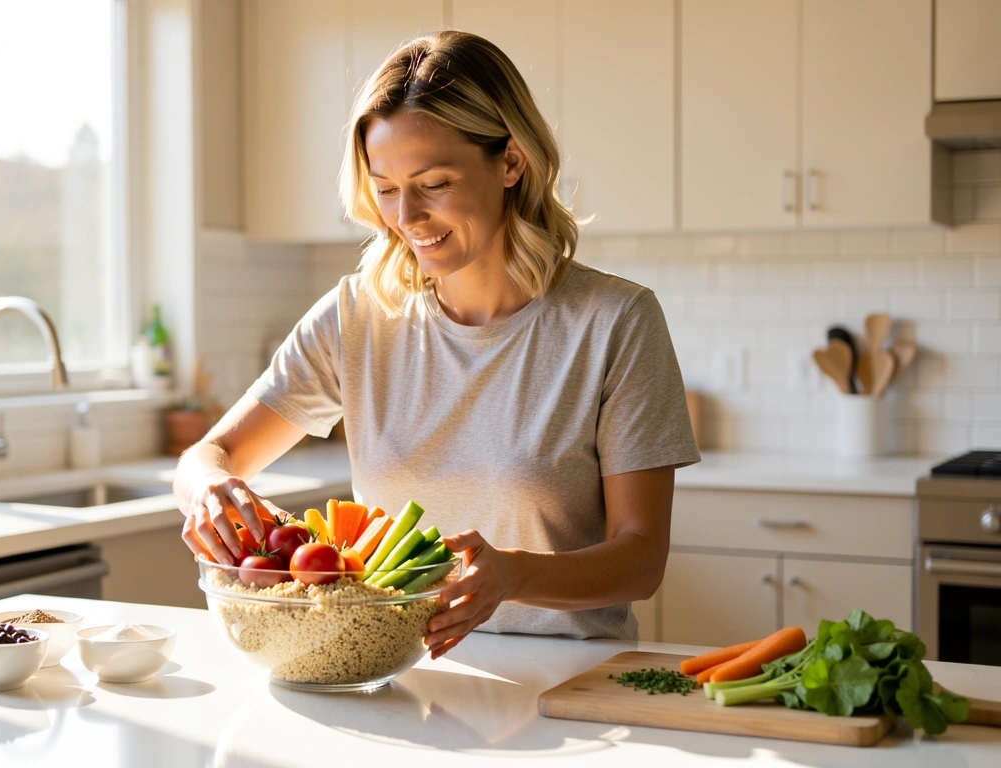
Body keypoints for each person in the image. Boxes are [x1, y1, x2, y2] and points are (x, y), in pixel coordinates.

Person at [174, 30, 700, 659]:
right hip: (394, 668)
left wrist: (515, 576)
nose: (408, 218)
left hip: (567, 677)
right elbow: (211, 454)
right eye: (387, 188)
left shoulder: (615, 322)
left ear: (510, 162)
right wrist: (208, 486)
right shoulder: (357, 315)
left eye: (435, 183)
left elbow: (641, 560)